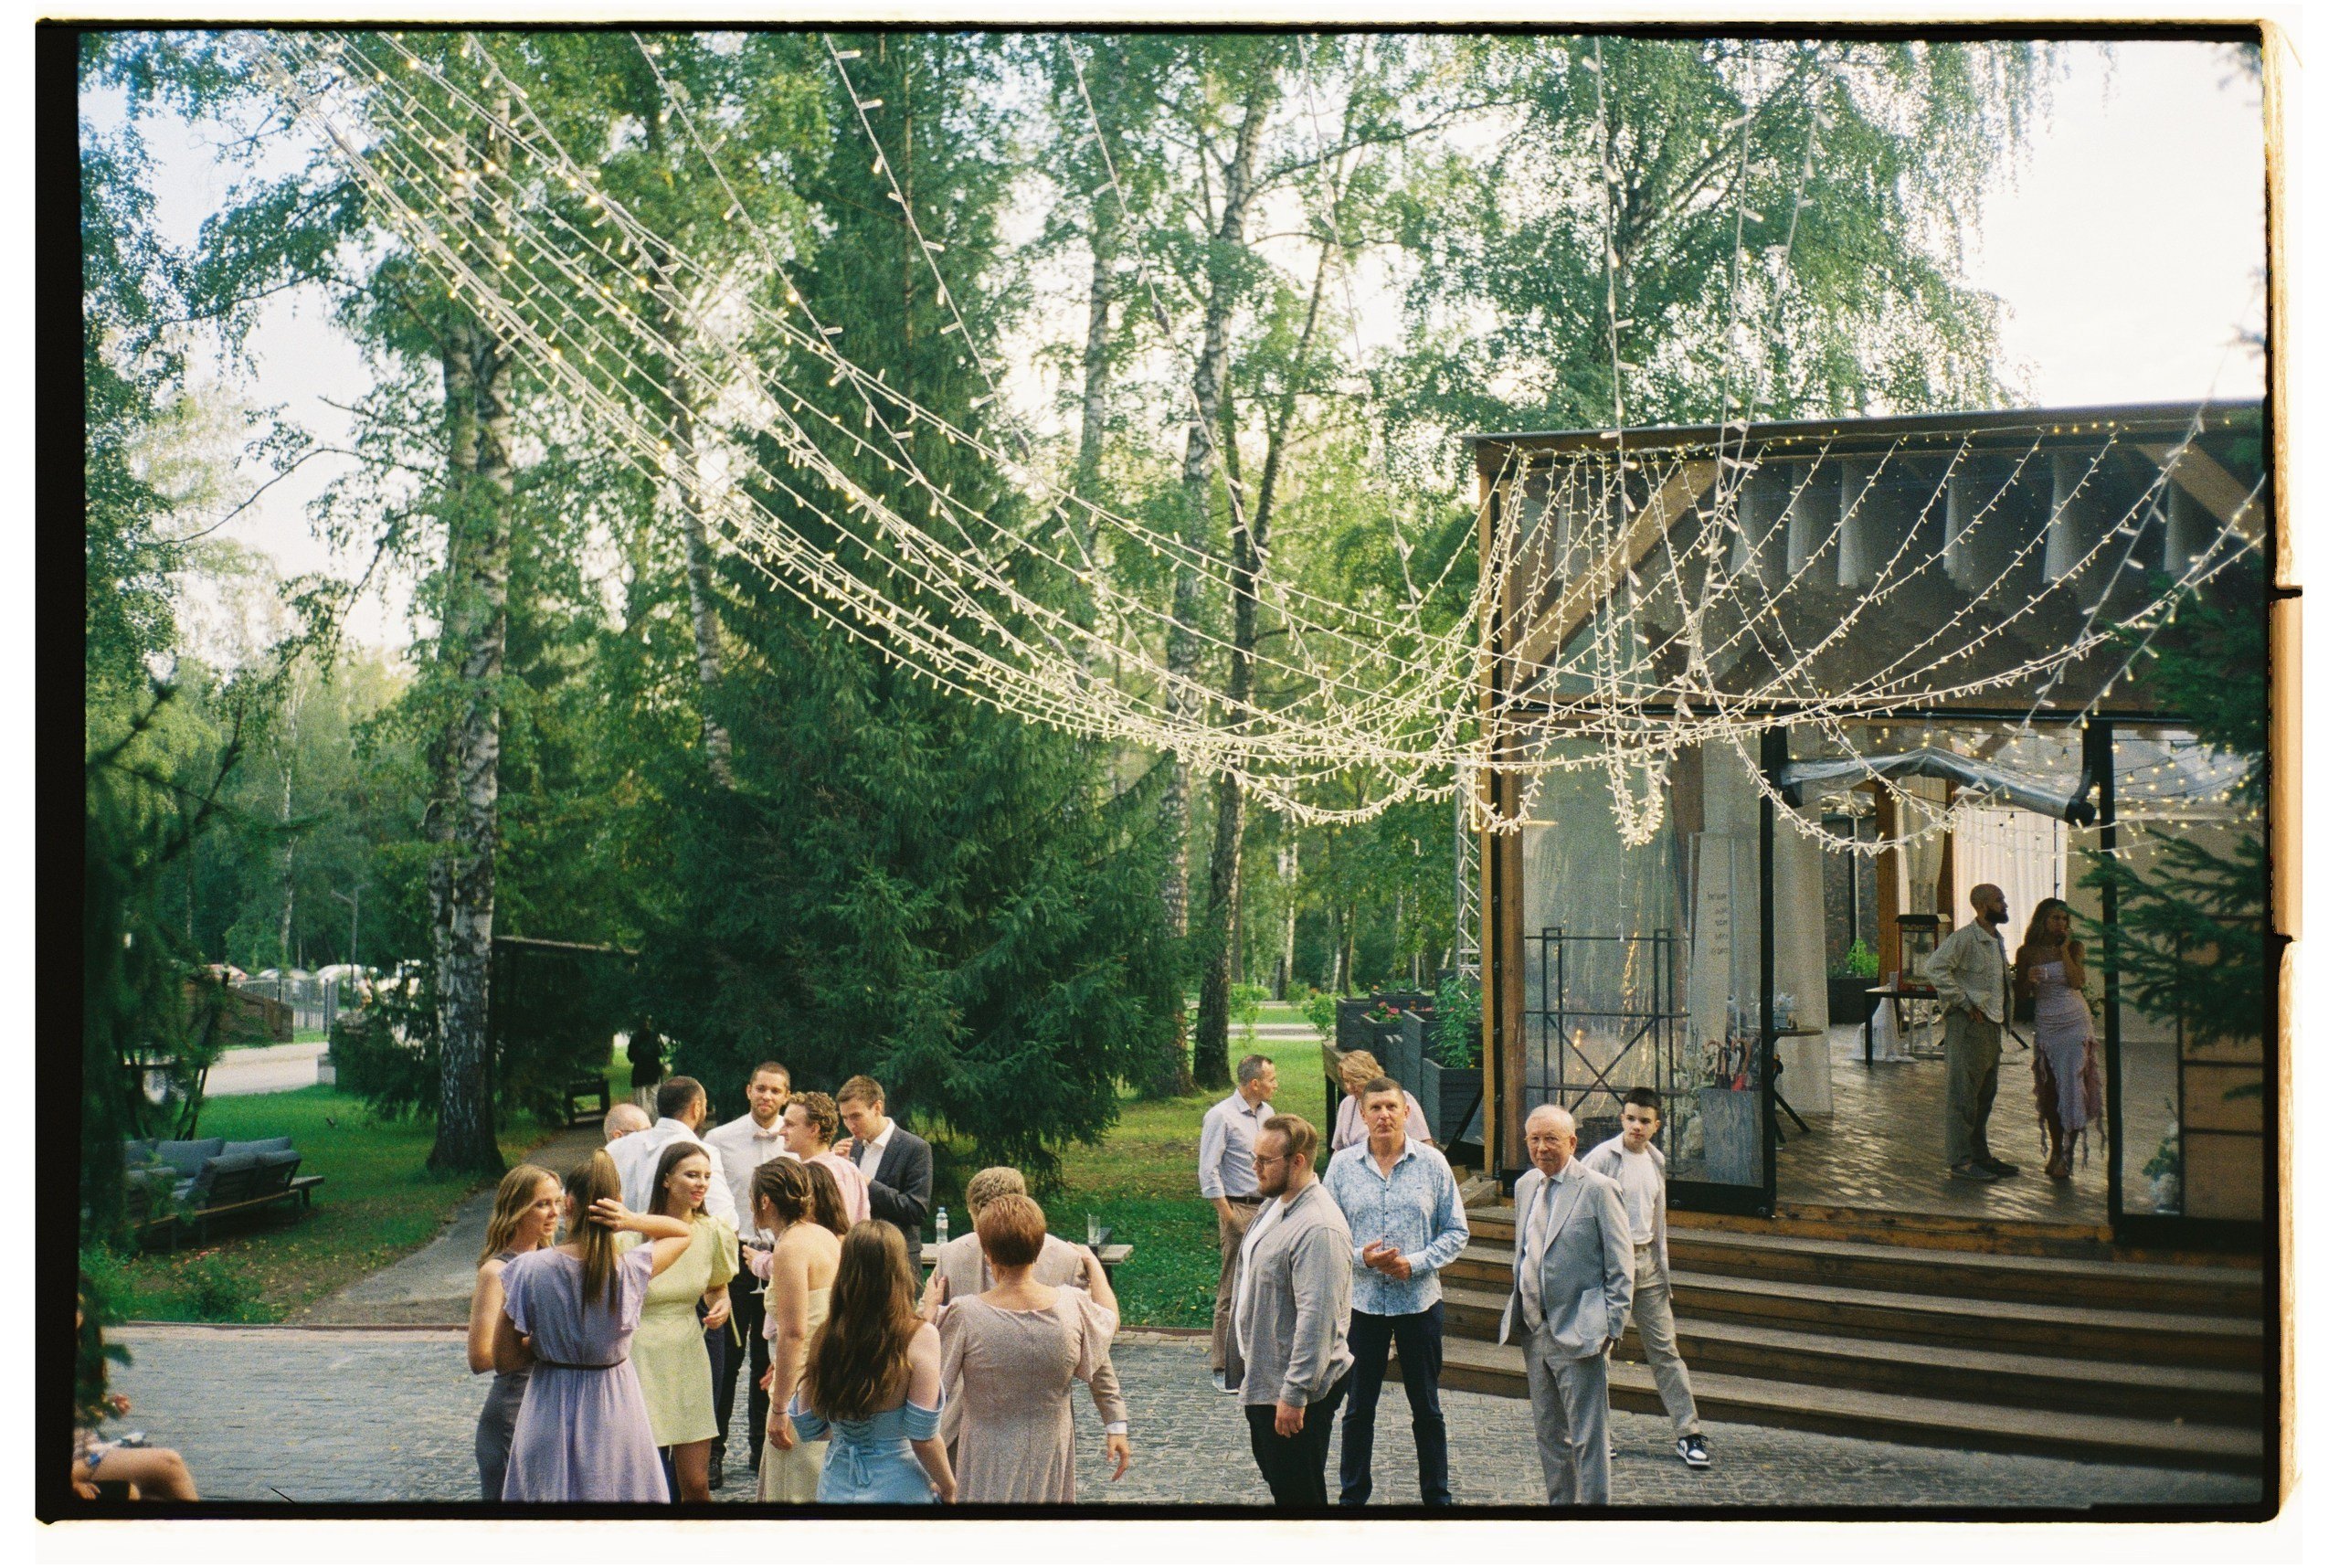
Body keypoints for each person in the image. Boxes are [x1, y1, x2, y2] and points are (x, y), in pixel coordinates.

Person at [495, 1151, 697, 1502]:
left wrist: (549, 1345)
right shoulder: (629, 1269)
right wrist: (631, 1220)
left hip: (549, 1403)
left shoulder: (528, 1269)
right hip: (614, 1405)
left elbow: (505, 1358)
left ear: (567, 1204)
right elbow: (682, 1232)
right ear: (616, 1205)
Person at [920, 1167, 1132, 1478]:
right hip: (962, 1424)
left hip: (1040, 1431)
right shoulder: (951, 1254)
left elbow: (1091, 1342)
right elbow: (933, 1341)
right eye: (979, 1227)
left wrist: (1114, 1420)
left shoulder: (1063, 1259)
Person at [1323, 1077, 1469, 1506]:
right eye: (1375, 1109)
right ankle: (1353, 1498)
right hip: (1362, 1306)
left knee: (1426, 1407)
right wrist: (1360, 1258)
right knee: (1357, 1409)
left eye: (1391, 1107)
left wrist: (1417, 1262)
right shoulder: (1343, 1167)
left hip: (1419, 1304)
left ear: (1406, 1112)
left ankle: (1436, 1498)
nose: (1384, 1115)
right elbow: (1325, 1235)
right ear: (1362, 1115)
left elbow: (1458, 1231)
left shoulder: (1433, 1164)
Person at [1498, 1105, 1634, 1506]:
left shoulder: (1598, 1189)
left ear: (1572, 1143)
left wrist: (1609, 1328)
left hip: (1581, 1332)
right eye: (1534, 1139)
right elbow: (1526, 1251)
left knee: (1589, 1438)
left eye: (1551, 1139)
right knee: (1548, 1434)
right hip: (1534, 1330)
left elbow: (1622, 1269)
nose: (1541, 1148)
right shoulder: (1526, 1185)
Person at [1226, 1113, 1354, 1510]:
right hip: (1268, 1378)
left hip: (1295, 1390)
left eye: (1265, 1161)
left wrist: (1295, 1394)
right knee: (1287, 1490)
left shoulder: (1318, 1227)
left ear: (1298, 1161)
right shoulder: (1277, 1204)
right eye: (1254, 1157)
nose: (1254, 1168)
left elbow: (1318, 1319)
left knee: (1300, 1499)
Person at [1580, 1088, 1709, 1470]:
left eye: (1644, 1121)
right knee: (1597, 1353)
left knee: (1666, 1352)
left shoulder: (1656, 1160)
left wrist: (1660, 1267)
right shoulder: (1602, 1157)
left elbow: (1657, 1219)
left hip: (1648, 1266)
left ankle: (1689, 1434)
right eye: (1630, 1118)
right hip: (1609, 1270)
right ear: (1622, 1118)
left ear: (1657, 1125)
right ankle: (1597, 1435)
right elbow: (1580, 1203)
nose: (1636, 1126)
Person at [788, 1222, 957, 1504]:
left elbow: (807, 1424)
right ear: (900, 1270)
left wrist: (846, 1434)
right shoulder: (920, 1337)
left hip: (836, 1484)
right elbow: (922, 1438)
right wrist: (949, 1487)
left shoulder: (826, 1335)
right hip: (900, 1487)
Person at [622, 1140, 737, 1502]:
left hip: (689, 1353)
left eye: (706, 1176)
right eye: (691, 1174)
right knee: (646, 1481)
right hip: (640, 1355)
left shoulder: (713, 1232)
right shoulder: (629, 1235)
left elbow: (717, 1287)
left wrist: (722, 1304)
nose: (701, 1183)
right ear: (667, 1180)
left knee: (696, 1482)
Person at [704, 1062, 793, 1486]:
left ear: (786, 1096)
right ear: (748, 1090)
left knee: (769, 1359)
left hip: (783, 1261)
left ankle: (762, 1452)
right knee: (727, 1360)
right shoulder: (718, 1140)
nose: (767, 1097)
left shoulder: (795, 1139)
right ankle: (713, 1452)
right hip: (736, 1260)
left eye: (776, 1091)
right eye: (761, 1089)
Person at [749, 1158, 845, 1503]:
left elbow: (793, 1332)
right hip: (829, 1370)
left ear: (764, 1201)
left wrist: (778, 1409)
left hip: (802, 1382)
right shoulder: (823, 1235)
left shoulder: (791, 1247)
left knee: (798, 1484)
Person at [468, 1162, 560, 1500]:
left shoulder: (554, 1260)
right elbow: (480, 1356)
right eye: (542, 1204)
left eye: (558, 1203)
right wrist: (543, 1342)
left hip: (552, 1408)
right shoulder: (497, 1271)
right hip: (514, 1411)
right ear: (517, 1209)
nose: (553, 1213)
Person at [1924, 883, 2018, 1181]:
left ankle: (1979, 1154)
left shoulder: (1995, 940)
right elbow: (1935, 967)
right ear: (1981, 906)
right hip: (1969, 1027)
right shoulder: (1964, 938)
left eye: (2003, 899)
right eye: (1998, 900)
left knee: (1984, 1095)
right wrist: (1963, 1002)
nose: (2004, 905)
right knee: (1963, 1095)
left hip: (1990, 1025)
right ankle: (1961, 1162)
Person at [73, 1284, 199, 1501]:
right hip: (77, 1462)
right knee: (169, 1464)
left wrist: (107, 1407)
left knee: (155, 1492)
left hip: (90, 1453)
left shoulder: (84, 1348)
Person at [1200, 1052, 1278, 1388]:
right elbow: (1208, 1169)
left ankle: (1259, 1358)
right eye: (1272, 1079)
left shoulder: (1269, 1114)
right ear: (1255, 1083)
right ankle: (1223, 1366)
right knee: (1232, 1287)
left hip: (1269, 1208)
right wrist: (1228, 1216)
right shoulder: (1221, 1116)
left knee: (1267, 1285)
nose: (1277, 1084)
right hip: (1239, 1209)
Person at [2015, 898, 2106, 1181]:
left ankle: (2068, 1153)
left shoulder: (2074, 948)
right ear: (2042, 919)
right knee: (2050, 1088)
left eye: (2065, 919)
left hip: (2074, 1021)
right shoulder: (2026, 952)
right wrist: (2029, 979)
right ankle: (2056, 1147)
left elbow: (2077, 981)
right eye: (2055, 918)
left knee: (2073, 1086)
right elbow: (2019, 994)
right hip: (2048, 1022)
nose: (2061, 923)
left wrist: (2064, 949)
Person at [611, 1076, 740, 1227]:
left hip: (621, 1245)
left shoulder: (616, 1147)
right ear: (696, 1108)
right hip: (675, 1245)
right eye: (705, 1106)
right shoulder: (700, 1154)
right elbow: (723, 1216)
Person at [835, 1075, 934, 1259]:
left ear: (877, 1108)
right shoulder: (851, 1147)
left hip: (898, 1258)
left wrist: (867, 1183)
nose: (850, 1125)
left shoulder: (916, 1148)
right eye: (845, 1118)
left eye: (856, 1116)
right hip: (857, 1257)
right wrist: (834, 1168)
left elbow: (916, 1210)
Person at [782, 1089, 871, 1225]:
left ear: (814, 1129)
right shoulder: (850, 1169)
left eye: (789, 1124)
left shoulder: (805, 1177)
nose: (781, 1131)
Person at [1329, 1050, 1431, 1154]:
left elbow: (1425, 1143)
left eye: (1354, 1081)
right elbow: (1338, 1149)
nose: (1349, 1087)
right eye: (1346, 1081)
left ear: (1367, 1076)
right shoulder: (1347, 1104)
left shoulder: (1400, 1099)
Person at [627, 1020, 666, 1114]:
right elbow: (661, 1052)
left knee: (640, 1100)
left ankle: (642, 1120)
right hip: (653, 1070)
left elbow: (631, 1057)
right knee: (654, 1097)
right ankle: (655, 1120)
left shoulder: (635, 1038)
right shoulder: (654, 1036)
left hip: (639, 1071)